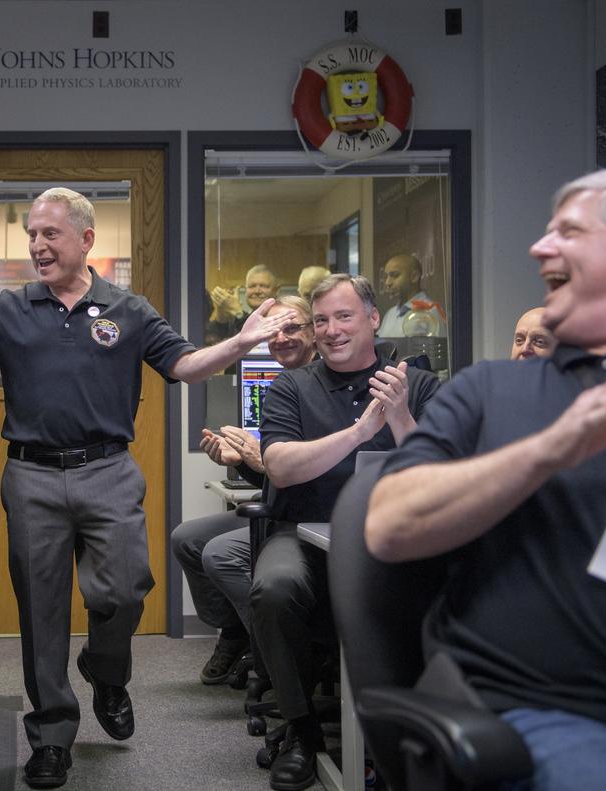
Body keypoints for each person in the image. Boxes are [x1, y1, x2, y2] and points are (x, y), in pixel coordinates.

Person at [0, 187, 282, 789]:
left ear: (86, 241)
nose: (38, 245)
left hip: (108, 470)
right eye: (31, 234)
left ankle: (106, 670)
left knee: (127, 590)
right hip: (32, 475)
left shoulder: (128, 309)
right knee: (40, 611)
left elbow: (182, 366)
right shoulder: (10, 308)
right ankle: (51, 735)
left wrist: (238, 343)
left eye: (50, 234)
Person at [366, 168, 606, 791]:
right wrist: (551, 449)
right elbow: (390, 525)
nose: (538, 248)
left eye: (569, 232)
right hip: (553, 717)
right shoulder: (491, 390)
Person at [254, 273, 440, 791]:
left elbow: (435, 472)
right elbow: (281, 467)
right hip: (304, 537)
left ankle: (408, 732)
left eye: (344, 316)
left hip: (393, 542)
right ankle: (302, 730)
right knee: (272, 589)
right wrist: (360, 433)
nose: (332, 330)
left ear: (373, 319)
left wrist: (399, 415)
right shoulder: (291, 386)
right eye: (322, 321)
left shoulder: (417, 384)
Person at [170, 295, 317, 686]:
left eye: (292, 328)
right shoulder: (283, 383)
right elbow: (272, 478)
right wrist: (238, 462)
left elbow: (311, 476)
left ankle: (281, 654)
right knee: (186, 539)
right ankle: (237, 631)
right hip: (274, 502)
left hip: (302, 515)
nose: (282, 338)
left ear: (316, 331)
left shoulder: (321, 385)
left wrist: (259, 462)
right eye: (273, 331)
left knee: (219, 554)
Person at [376, 253, 447, 338]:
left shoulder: (431, 311)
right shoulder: (390, 314)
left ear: (414, 277)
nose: (387, 283)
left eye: (395, 275)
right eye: (386, 277)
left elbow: (439, 349)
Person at [207, 264, 281, 344]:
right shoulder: (241, 318)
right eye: (251, 286)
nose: (257, 291)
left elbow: (253, 338)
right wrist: (221, 316)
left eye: (264, 286)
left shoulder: (281, 317)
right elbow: (212, 341)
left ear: (276, 290)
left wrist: (237, 311)